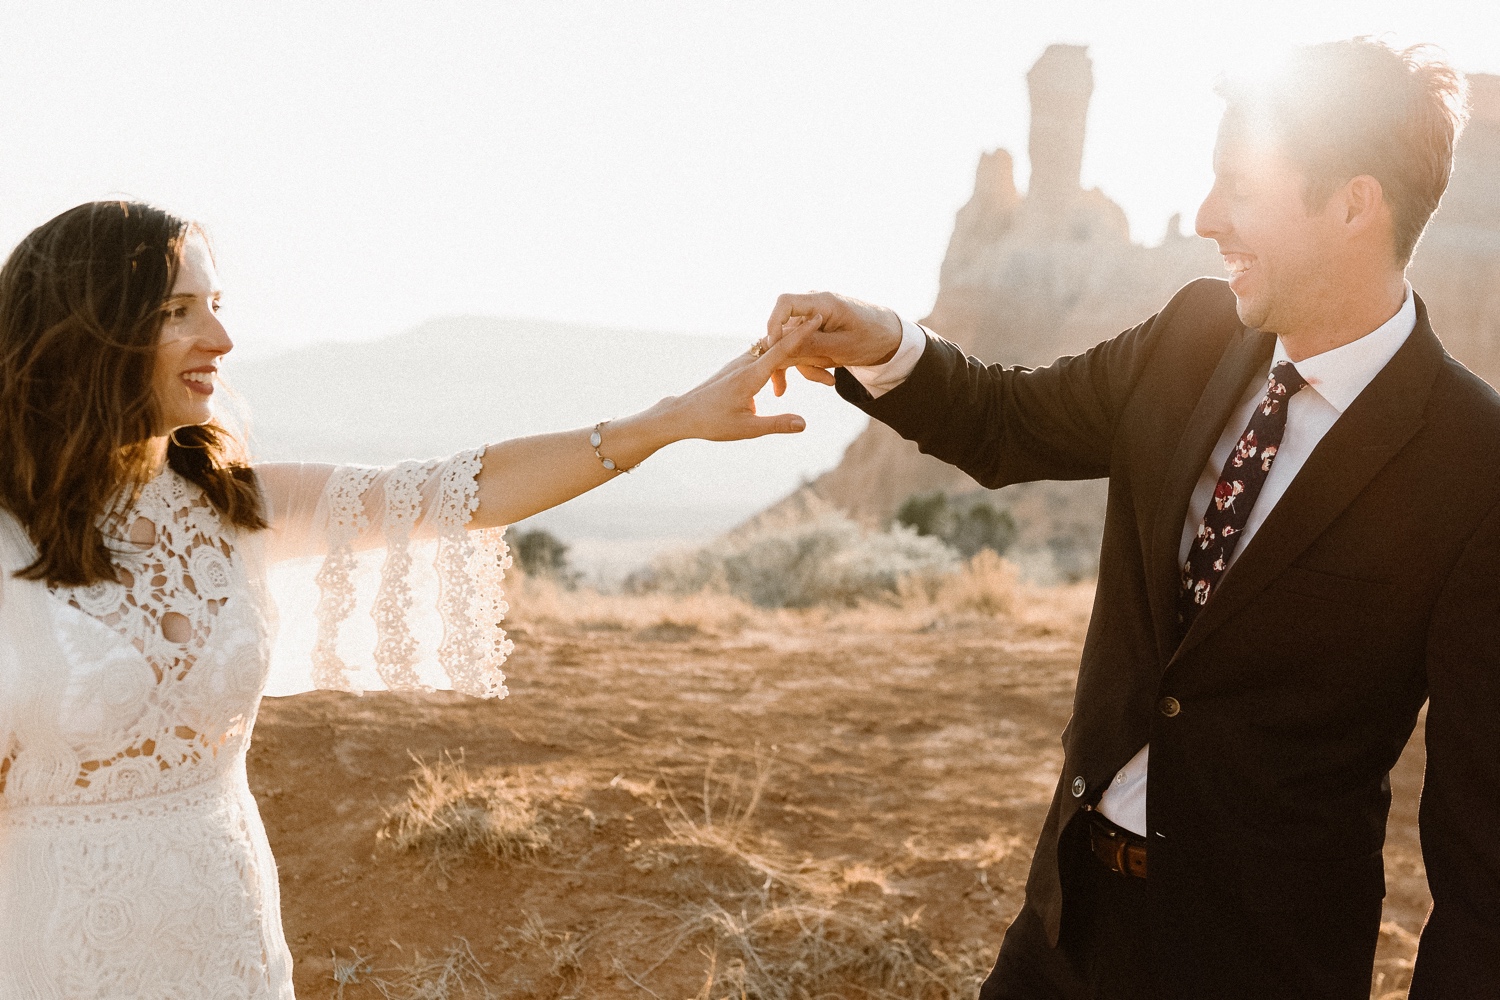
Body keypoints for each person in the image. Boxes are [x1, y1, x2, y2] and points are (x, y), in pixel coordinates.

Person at [763, 39, 1497, 1000]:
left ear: (1354, 205)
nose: (1205, 219)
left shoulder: (1474, 463)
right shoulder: (1193, 335)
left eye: (1240, 189)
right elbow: (1006, 419)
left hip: (1262, 969)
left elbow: (1483, 855)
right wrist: (889, 342)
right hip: (1062, 934)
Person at [0, 200, 816, 997]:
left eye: (216, 306)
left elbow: (462, 490)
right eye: (180, 311)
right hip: (57, 958)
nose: (222, 338)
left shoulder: (235, 506)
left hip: (229, 942)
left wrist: (671, 420)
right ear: (87, 331)